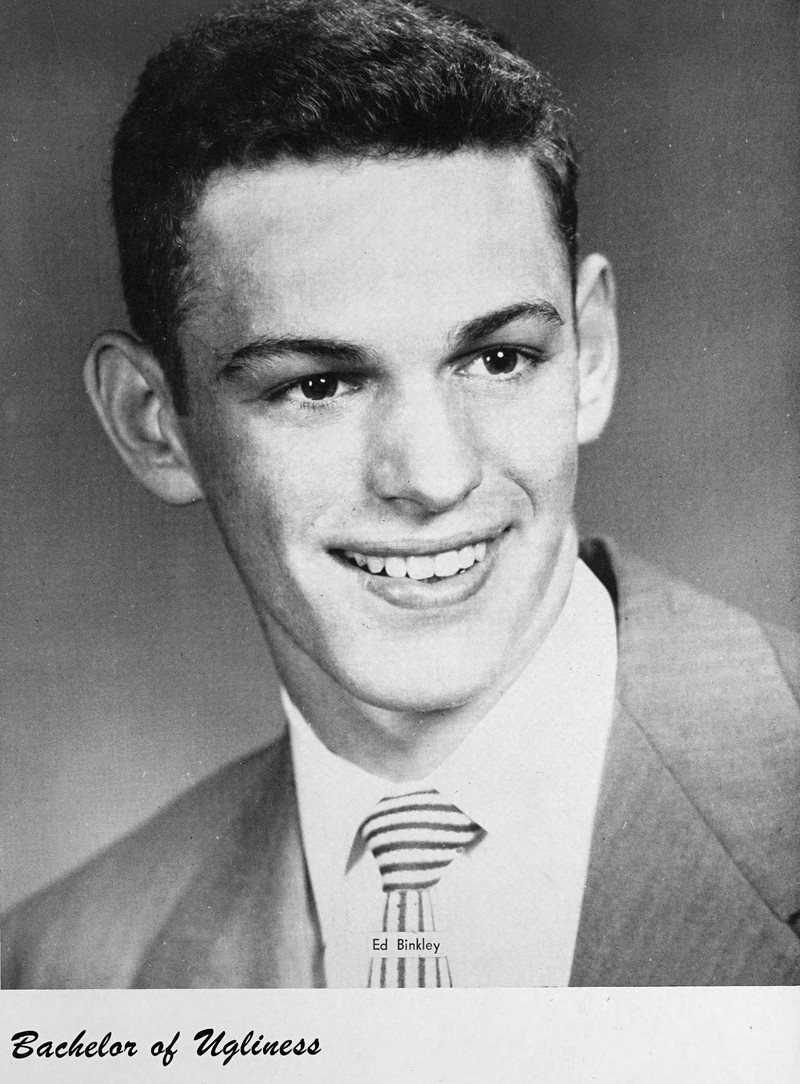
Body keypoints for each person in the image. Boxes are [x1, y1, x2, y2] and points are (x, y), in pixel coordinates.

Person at [3, 0, 798, 989]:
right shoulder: (52, 973)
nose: (432, 477)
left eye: (498, 359)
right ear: (152, 422)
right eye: (318, 386)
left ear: (589, 352)